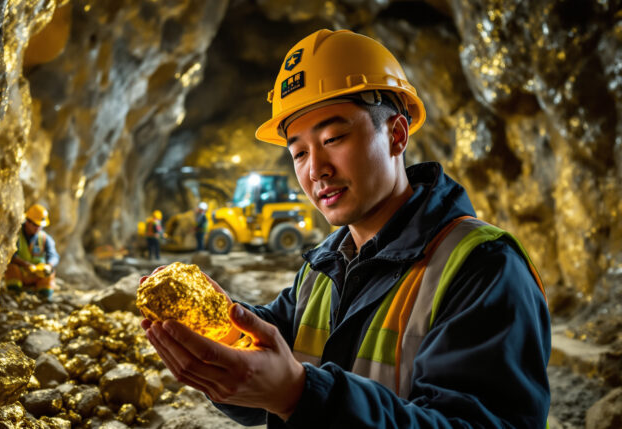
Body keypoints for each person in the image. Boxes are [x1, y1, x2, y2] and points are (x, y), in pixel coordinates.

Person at [140, 29, 551, 428]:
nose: (315, 169)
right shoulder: (322, 270)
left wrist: (300, 396)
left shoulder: (484, 267)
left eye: (334, 138)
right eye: (298, 152)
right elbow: (264, 378)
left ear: (396, 134)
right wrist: (216, 330)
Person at [5, 203, 60, 301]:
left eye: (40, 226)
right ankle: (14, 295)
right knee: (12, 268)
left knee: (50, 273)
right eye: (35, 225)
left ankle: (44, 298)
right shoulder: (16, 235)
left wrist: (49, 266)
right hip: (21, 272)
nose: (38, 228)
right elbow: (9, 254)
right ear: (27, 222)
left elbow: (54, 255)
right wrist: (26, 265)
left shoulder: (45, 238)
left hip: (37, 274)